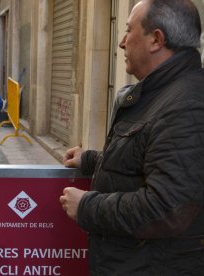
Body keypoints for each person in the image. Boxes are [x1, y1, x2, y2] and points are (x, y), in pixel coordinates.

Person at [59, 0, 204, 274]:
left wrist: (88, 206)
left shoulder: (186, 105)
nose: (122, 42)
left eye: (128, 31)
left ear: (156, 40)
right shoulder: (161, 92)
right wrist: (90, 160)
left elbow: (167, 208)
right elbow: (147, 159)